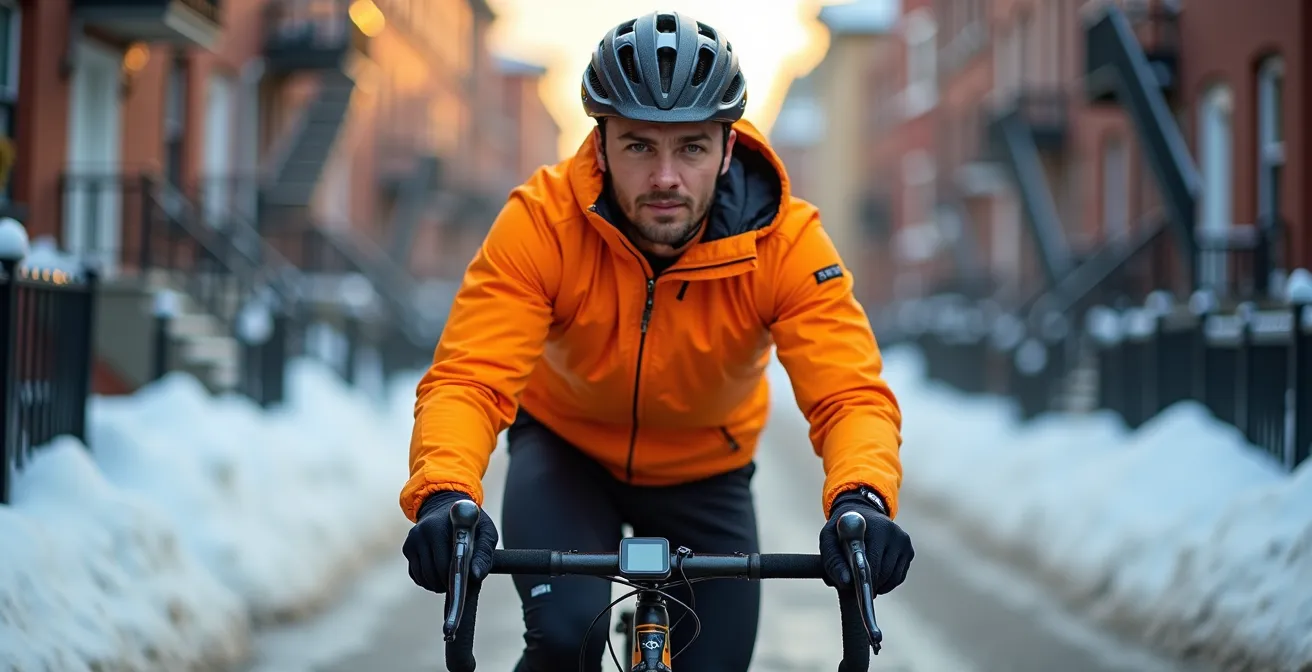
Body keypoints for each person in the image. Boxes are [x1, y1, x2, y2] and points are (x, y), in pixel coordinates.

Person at [400, 10, 913, 671]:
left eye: (692, 147)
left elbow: (848, 393)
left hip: (708, 473)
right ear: (601, 141)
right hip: (567, 453)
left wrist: (861, 498)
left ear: (727, 149)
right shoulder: (542, 222)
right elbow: (470, 379)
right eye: (640, 146)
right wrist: (446, 493)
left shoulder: (785, 242)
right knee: (564, 636)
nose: (666, 177)